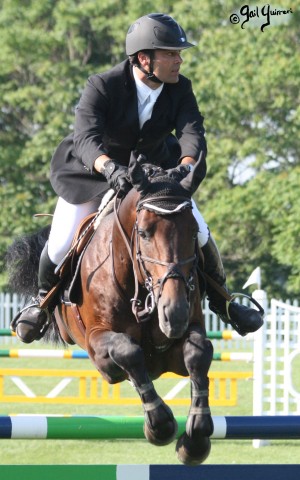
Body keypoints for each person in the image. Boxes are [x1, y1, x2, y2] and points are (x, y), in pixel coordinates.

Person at [11, 13, 263, 343]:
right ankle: (41, 305)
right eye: (171, 54)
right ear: (144, 58)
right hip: (94, 173)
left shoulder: (180, 88)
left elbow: (192, 135)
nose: (179, 60)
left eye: (179, 54)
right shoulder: (103, 85)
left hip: (153, 175)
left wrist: (185, 168)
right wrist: (109, 168)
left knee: (200, 231)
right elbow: (86, 138)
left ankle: (224, 303)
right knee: (60, 243)